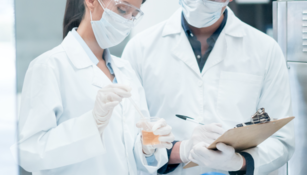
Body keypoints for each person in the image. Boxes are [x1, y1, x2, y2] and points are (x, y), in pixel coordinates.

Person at [121, 0, 294, 174]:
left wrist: (238, 162)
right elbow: (130, 136)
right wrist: (180, 150)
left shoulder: (265, 50)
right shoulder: (140, 49)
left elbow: (281, 140)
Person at [16, 0, 175, 174]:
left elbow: (128, 152)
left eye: (134, 15)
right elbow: (29, 152)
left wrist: (147, 147)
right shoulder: (49, 66)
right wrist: (92, 123)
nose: (127, 20)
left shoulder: (126, 71)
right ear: (91, 2)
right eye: (122, 10)